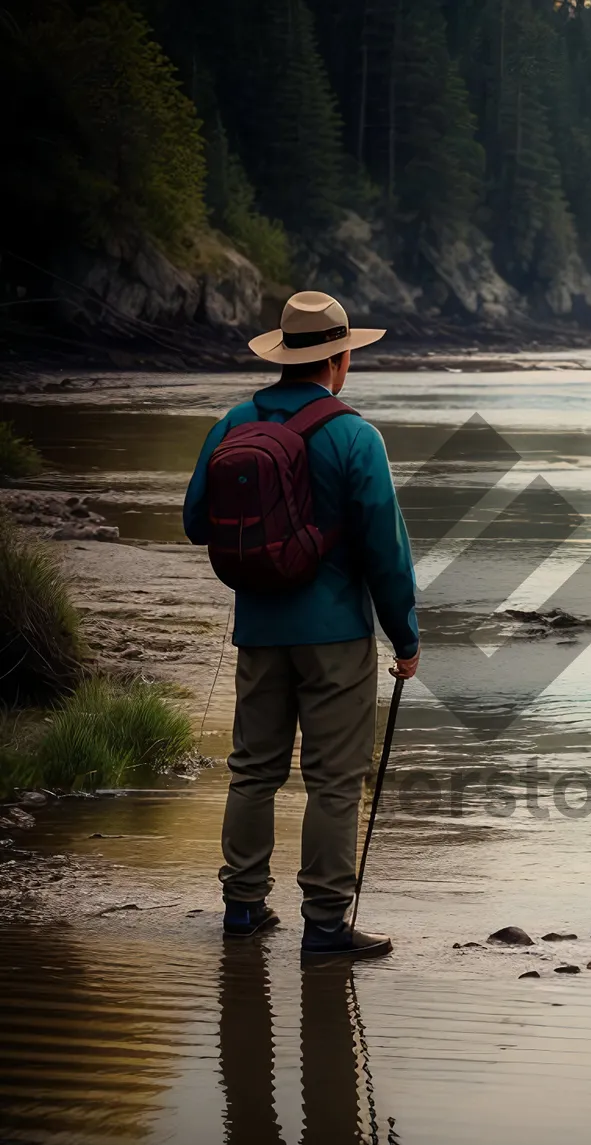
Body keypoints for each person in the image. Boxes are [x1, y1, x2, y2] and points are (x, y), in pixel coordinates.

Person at [184, 290, 419, 962]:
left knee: (253, 771)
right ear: (341, 360)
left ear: (285, 355)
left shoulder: (233, 422)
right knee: (333, 780)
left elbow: (196, 520)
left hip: (258, 629)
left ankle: (243, 909)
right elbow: (387, 552)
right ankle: (323, 925)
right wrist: (404, 637)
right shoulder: (356, 436)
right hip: (337, 636)